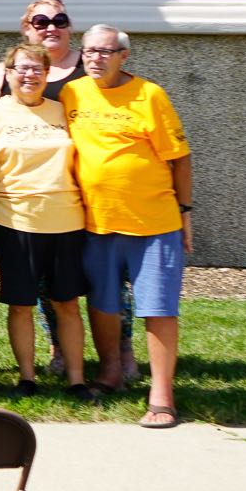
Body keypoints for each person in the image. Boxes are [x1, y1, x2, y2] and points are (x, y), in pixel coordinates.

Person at [63, 26, 192, 428]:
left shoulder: (150, 95)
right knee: (102, 303)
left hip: (152, 223)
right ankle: (111, 373)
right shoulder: (73, 93)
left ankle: (162, 396)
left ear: (124, 56)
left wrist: (185, 211)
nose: (95, 58)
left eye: (104, 52)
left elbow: (180, 158)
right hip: (96, 222)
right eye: (88, 51)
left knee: (157, 308)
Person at [0, 43, 95, 400]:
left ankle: (76, 379)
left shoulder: (64, 111)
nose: (30, 75)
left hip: (67, 222)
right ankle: (27, 378)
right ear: (8, 73)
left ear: (47, 75)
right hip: (15, 223)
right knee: (21, 303)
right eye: (22, 69)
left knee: (68, 303)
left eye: (37, 69)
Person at [0, 0, 85, 101]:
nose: (52, 28)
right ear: (26, 28)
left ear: (69, 27)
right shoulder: (4, 72)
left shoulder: (89, 66)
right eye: (42, 22)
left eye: (59, 21)